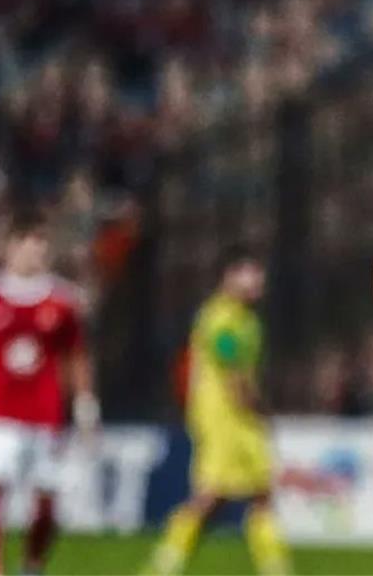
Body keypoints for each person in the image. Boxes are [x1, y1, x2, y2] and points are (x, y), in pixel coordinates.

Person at [146, 246, 289, 576]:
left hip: (241, 420)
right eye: (250, 273)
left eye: (259, 275)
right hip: (223, 419)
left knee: (261, 493)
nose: (258, 282)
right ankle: (164, 564)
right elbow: (232, 372)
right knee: (210, 496)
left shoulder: (247, 319)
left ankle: (275, 568)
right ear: (229, 275)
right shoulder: (221, 318)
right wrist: (257, 407)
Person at [0, 212, 99, 576]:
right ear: (10, 247)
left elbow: (77, 355)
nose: (35, 253)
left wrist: (85, 405)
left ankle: (32, 565)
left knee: (47, 505)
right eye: (27, 245)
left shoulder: (62, 301)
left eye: (41, 246)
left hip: (45, 415)